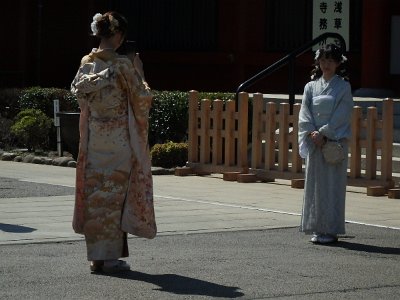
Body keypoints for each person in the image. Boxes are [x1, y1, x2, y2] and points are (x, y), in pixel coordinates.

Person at [71, 11, 157, 273]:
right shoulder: (122, 66)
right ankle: (109, 258)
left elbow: (78, 92)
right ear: (118, 35)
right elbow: (142, 98)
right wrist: (140, 73)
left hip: (95, 136)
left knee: (97, 194)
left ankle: (97, 256)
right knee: (115, 196)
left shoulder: (87, 62)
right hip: (119, 139)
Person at [298, 43, 353, 244]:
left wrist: (324, 133)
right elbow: (304, 112)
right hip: (315, 142)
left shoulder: (343, 87)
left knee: (332, 185)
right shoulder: (311, 86)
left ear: (338, 63)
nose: (326, 64)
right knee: (315, 185)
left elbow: (342, 114)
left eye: (330, 60)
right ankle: (316, 227)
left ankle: (331, 229)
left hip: (332, 141)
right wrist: (312, 133)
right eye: (322, 60)